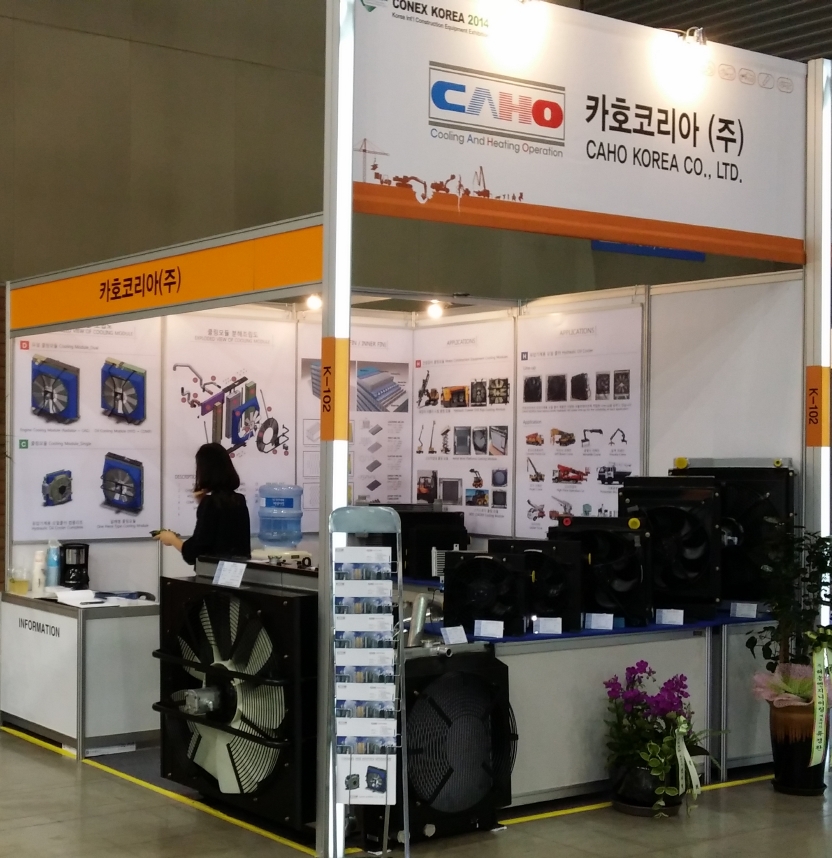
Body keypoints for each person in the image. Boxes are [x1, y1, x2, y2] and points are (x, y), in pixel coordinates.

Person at [155, 443, 251, 565]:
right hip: (237, 572)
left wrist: (172, 539)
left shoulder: (210, 503)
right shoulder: (239, 500)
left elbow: (194, 552)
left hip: (212, 572)